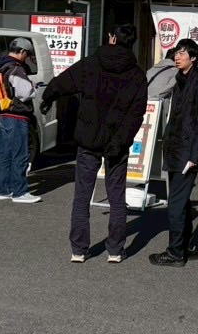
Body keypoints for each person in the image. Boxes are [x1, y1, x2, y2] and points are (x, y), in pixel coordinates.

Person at [40, 24, 148, 263]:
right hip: (116, 144)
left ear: (112, 38)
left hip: (88, 140)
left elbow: (64, 82)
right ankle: (115, 250)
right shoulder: (137, 75)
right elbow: (135, 115)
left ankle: (79, 249)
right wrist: (120, 141)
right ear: (132, 43)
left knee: (82, 195)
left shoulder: (91, 64)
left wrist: (48, 97)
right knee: (116, 196)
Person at [149, 37, 198, 267]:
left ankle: (175, 253)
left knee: (175, 205)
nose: (177, 56)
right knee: (182, 202)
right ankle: (185, 246)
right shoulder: (180, 80)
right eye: (176, 52)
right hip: (175, 148)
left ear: (193, 58)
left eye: (182, 53)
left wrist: (194, 156)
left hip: (187, 154)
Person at [0, 37, 42, 203]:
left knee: (5, 154)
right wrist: (33, 88)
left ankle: (3, 190)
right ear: (22, 52)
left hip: (4, 115)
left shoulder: (2, 66)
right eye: (26, 54)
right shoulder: (17, 69)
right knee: (20, 154)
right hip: (18, 116)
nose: (26, 57)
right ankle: (20, 192)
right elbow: (25, 94)